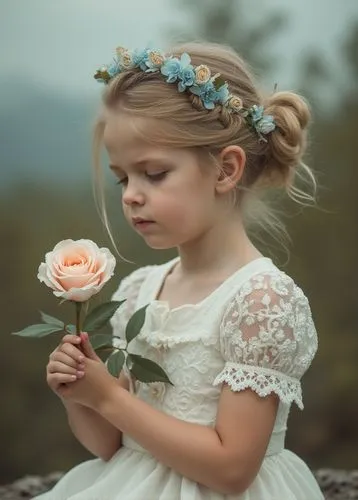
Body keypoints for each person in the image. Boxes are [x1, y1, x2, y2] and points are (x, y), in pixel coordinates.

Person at [34, 42, 324, 499]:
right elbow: (112, 444)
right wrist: (83, 396)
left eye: (153, 173)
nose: (130, 195)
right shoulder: (139, 291)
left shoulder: (261, 301)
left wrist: (111, 398)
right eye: (122, 177)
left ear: (225, 169)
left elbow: (232, 470)